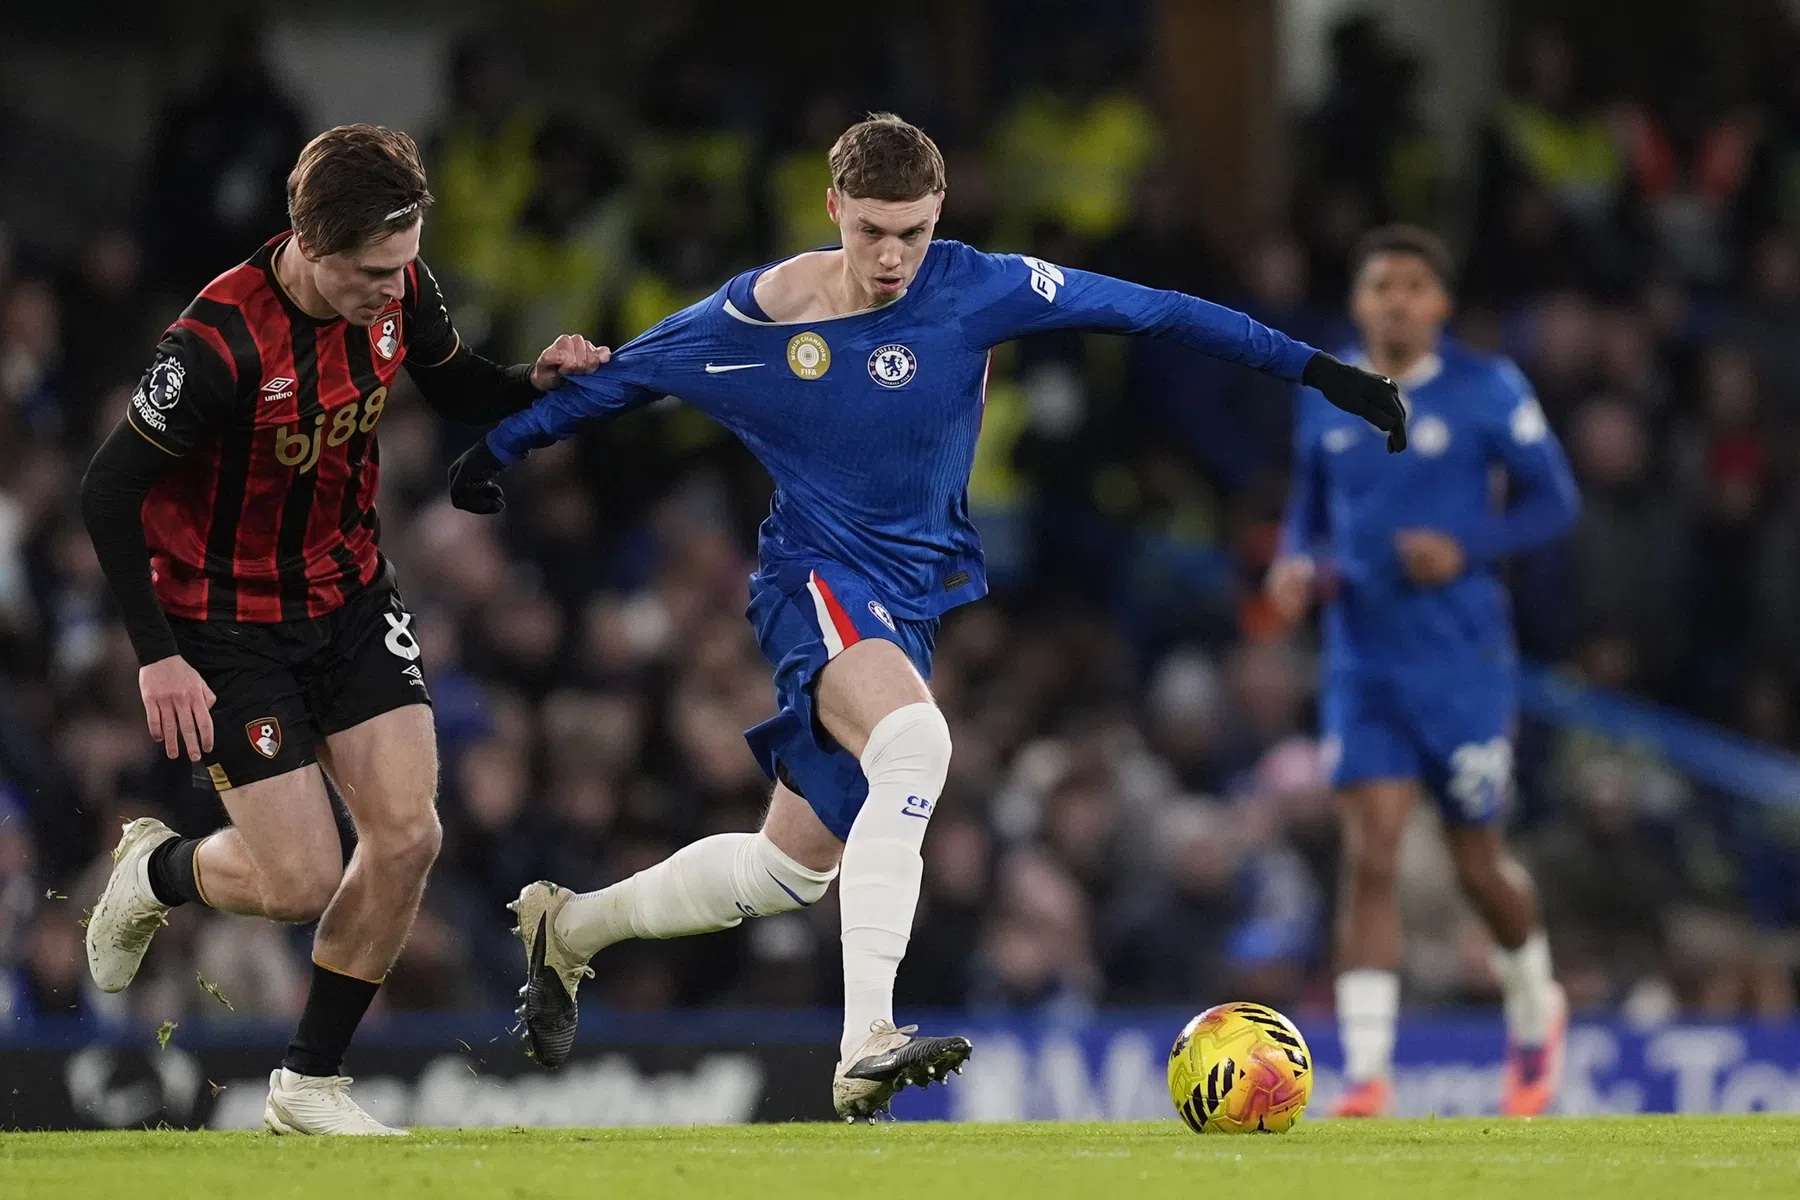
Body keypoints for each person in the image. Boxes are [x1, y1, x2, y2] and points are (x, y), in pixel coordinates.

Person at [448, 113, 1406, 1121]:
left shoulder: (977, 285)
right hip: (813, 580)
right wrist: (495, 451)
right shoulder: (760, 318)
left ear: (938, 213)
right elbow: (624, 377)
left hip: (906, 603)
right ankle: (866, 1041)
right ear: (833, 211)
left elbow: (1155, 312)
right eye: (870, 232)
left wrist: (1320, 370)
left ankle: (572, 929)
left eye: (910, 231)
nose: (891, 255)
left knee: (788, 871)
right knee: (914, 743)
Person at [78, 124, 606, 1135]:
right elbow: (108, 490)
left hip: (350, 595)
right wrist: (158, 659)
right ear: (305, 242)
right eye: (372, 271)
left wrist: (531, 381)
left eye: (404, 265)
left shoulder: (402, 286)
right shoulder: (217, 345)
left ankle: (308, 1083)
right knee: (300, 880)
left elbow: (451, 381)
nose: (393, 287)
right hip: (225, 625)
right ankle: (155, 870)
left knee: (409, 837)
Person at [1265, 224, 1580, 1117]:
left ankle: (1534, 1011)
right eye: (1380, 286)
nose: (1397, 300)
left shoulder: (1488, 389)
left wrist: (1468, 546)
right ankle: (1367, 1076)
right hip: (1362, 659)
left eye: (1414, 286)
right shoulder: (1324, 392)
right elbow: (1306, 508)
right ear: (1358, 303)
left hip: (1462, 661)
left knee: (1479, 864)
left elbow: (1556, 500)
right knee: (1372, 857)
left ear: (1440, 304)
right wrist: (1294, 561)